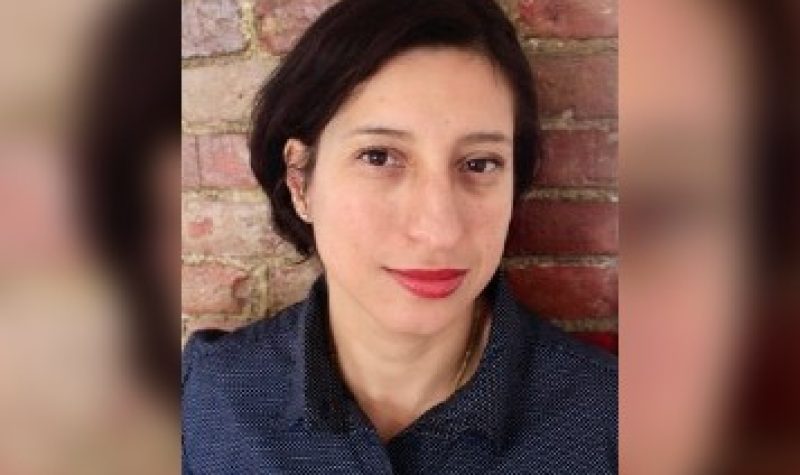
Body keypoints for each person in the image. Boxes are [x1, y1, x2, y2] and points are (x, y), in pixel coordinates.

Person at [182, 0, 616, 473]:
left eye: (479, 164)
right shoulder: (209, 400)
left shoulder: (608, 423)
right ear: (300, 181)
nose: (438, 229)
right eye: (379, 157)